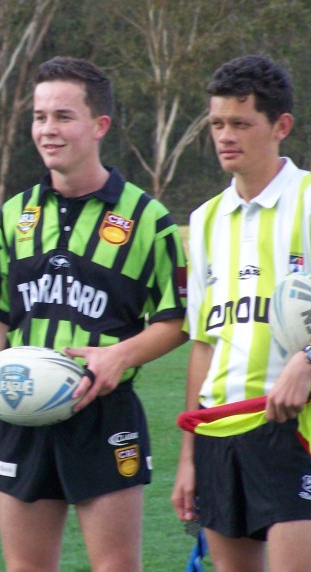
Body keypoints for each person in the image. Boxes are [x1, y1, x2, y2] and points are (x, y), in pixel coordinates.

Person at [0, 56, 188, 571]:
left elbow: (176, 320)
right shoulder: (14, 215)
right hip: (21, 407)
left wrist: (118, 357)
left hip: (104, 414)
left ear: (99, 125)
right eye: (40, 117)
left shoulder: (148, 218)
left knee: (115, 567)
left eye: (63, 116)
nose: (48, 129)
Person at [171, 55, 311, 572]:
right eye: (217, 124)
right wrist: (188, 457)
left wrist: (308, 360)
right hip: (218, 435)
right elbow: (203, 343)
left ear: (281, 126)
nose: (225, 136)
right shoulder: (205, 220)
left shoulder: (309, 200)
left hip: (293, 429)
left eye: (240, 123)